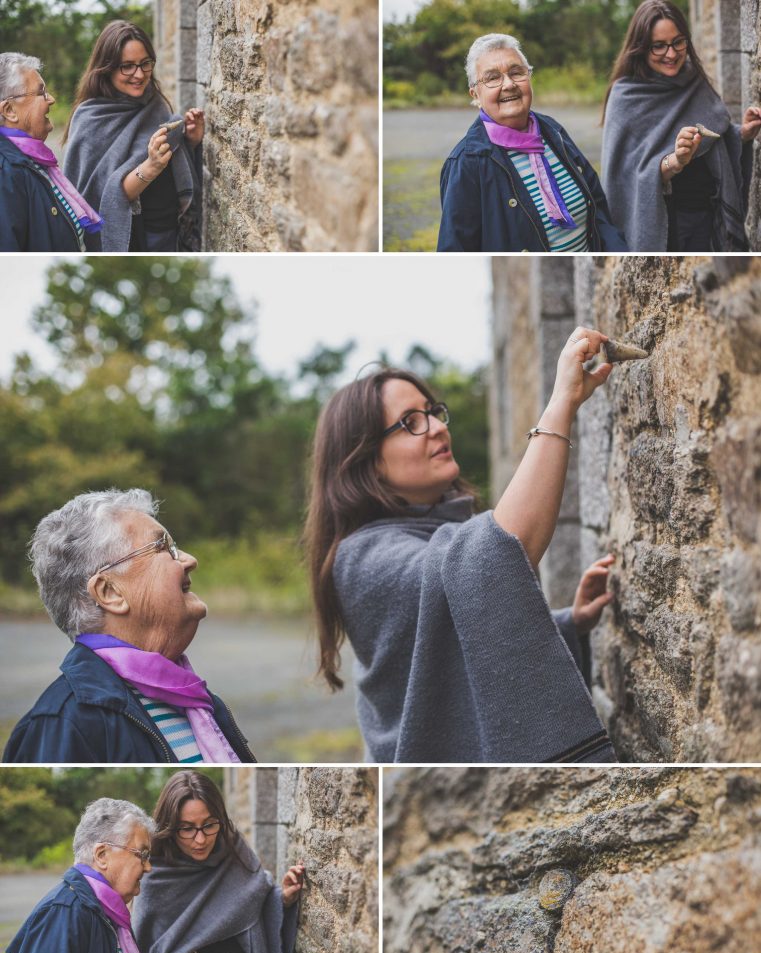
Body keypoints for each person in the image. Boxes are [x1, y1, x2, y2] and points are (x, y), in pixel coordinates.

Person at [305, 329, 620, 764]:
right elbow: (497, 553)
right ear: (367, 463)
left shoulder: (431, 529)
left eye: (432, 412)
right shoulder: (362, 560)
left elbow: (451, 637)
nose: (435, 427)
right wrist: (560, 403)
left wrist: (569, 624)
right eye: (410, 422)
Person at [3, 488, 255, 763]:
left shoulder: (198, 702)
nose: (189, 560)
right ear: (110, 592)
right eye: (164, 548)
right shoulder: (62, 723)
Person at [133, 770, 303, 953]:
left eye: (209, 825)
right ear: (169, 827)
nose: (200, 839)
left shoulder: (233, 850)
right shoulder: (155, 876)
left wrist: (282, 898)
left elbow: (251, 902)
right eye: (187, 829)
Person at [437, 33, 627, 252]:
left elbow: (597, 207)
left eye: (516, 72)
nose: (508, 84)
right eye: (492, 78)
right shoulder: (466, 163)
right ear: (476, 94)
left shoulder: (552, 131)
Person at [601, 0, 761, 252]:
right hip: (671, 229)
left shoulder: (693, 80)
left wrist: (742, 133)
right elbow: (627, 176)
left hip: (712, 218)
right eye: (659, 46)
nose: (672, 53)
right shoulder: (625, 97)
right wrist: (675, 161)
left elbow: (714, 136)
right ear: (641, 48)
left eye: (678, 42)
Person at [5, 797, 161, 953]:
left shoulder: (107, 912)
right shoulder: (62, 915)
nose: (148, 866)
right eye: (142, 854)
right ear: (102, 855)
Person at [63, 20, 204, 252]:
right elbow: (100, 197)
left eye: (145, 64)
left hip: (171, 232)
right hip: (135, 240)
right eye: (127, 66)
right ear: (107, 67)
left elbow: (172, 167)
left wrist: (190, 140)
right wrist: (149, 167)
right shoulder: (90, 118)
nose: (139, 74)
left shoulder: (154, 103)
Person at [0, 52, 102, 251]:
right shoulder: (7, 172)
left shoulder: (31, 160)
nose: (52, 99)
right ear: (10, 111)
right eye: (41, 92)